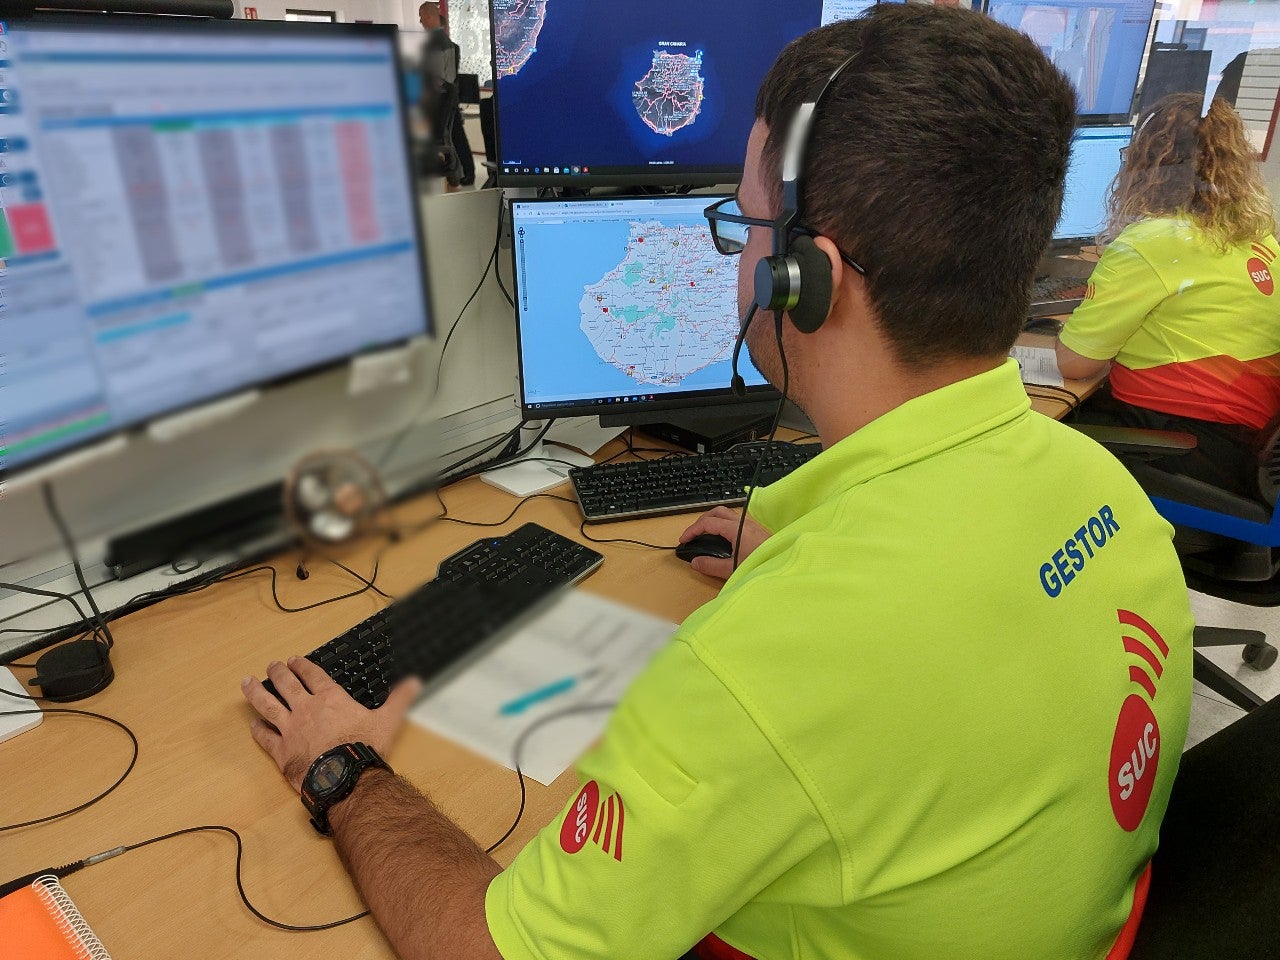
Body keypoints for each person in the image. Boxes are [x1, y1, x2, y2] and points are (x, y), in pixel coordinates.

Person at [241, 7, 1195, 959]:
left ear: (804, 281)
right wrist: (801, 558)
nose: (738, 257)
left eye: (743, 226)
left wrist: (343, 767)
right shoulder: (1104, 489)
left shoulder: (768, 668)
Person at [1056, 93, 1280, 498]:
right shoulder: (1257, 237)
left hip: (1190, 450)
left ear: (1148, 166)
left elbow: (1075, 364)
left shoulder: (1151, 243)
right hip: (1249, 449)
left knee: (1044, 422)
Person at [419, 0, 475, 189]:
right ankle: (461, 175)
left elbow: (438, 78)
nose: (421, 22)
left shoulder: (437, 43)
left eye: (421, 18)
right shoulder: (444, 42)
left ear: (428, 17)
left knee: (447, 139)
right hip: (448, 98)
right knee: (453, 138)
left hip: (443, 100)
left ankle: (455, 177)